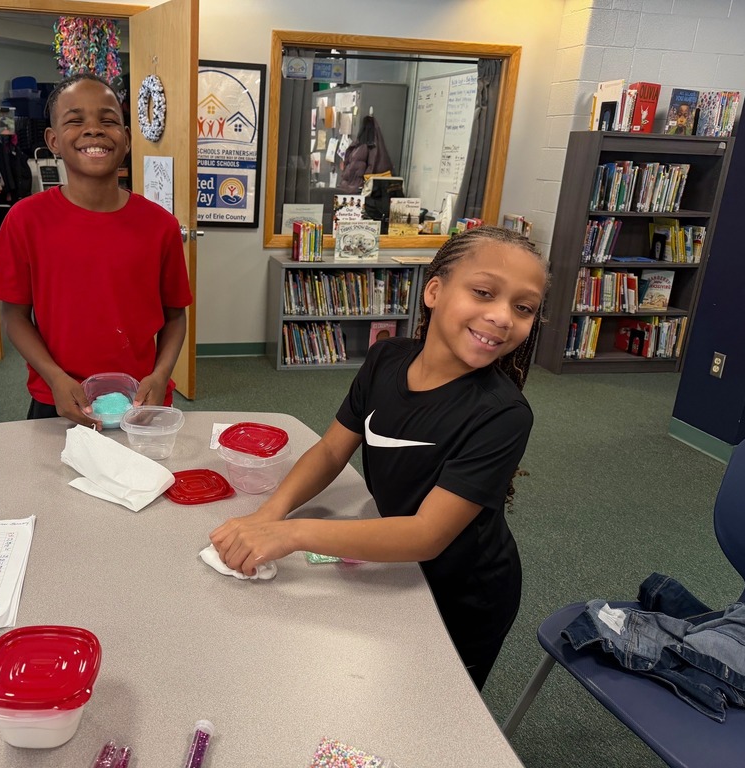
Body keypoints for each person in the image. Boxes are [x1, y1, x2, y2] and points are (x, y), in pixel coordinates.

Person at [210, 226, 548, 689]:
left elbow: (426, 535)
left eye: (523, 307)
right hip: (393, 565)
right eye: (484, 292)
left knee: (427, 703)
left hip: (462, 594)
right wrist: (270, 511)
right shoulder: (386, 357)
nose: (502, 316)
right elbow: (332, 449)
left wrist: (291, 533)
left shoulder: (503, 415)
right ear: (434, 290)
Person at [0, 73, 193, 427]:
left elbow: (175, 317)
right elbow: (14, 316)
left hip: (142, 402)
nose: (94, 130)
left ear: (126, 139)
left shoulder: (161, 226)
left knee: (144, 482)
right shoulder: (25, 221)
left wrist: (160, 375)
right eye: (75, 120)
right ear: (52, 140)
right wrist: (54, 376)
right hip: (59, 398)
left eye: (109, 120)